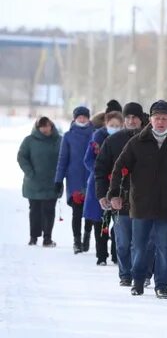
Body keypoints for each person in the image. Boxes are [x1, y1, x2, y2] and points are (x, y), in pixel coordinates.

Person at [109, 100, 167, 299]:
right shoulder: (137, 142)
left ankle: (162, 285)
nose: (160, 122)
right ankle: (138, 282)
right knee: (139, 247)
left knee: (164, 247)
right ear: (149, 119)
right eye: (157, 118)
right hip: (141, 204)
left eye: (165, 118)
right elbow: (118, 168)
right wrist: (114, 194)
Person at [95, 102, 150, 287]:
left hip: (145, 199)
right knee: (123, 242)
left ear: (141, 119)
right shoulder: (113, 141)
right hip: (120, 198)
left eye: (135, 117)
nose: (131, 120)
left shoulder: (150, 140)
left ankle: (141, 274)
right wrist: (103, 194)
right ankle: (125, 274)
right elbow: (101, 169)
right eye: (128, 117)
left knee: (142, 242)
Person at [83, 111, 123, 266]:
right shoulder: (97, 139)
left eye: (117, 126)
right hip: (99, 184)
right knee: (101, 222)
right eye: (112, 125)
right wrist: (101, 170)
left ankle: (115, 254)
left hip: (118, 184)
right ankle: (101, 255)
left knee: (118, 222)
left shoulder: (123, 139)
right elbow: (88, 160)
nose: (114, 128)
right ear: (106, 124)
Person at [55, 106, 94, 254]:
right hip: (74, 179)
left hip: (91, 178)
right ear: (74, 118)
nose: (82, 119)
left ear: (88, 118)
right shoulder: (68, 136)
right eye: (79, 117)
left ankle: (87, 236)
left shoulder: (94, 134)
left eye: (84, 117)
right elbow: (62, 159)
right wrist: (58, 180)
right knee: (77, 212)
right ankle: (76, 241)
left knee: (90, 212)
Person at [17, 117, 62, 247]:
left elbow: (64, 157)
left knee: (49, 210)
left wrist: (60, 175)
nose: (45, 129)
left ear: (51, 126)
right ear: (37, 128)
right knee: (35, 210)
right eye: (42, 126)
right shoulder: (29, 141)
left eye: (47, 126)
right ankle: (33, 237)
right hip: (34, 182)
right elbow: (21, 157)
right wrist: (30, 172)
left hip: (52, 182)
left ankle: (47, 238)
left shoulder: (59, 140)